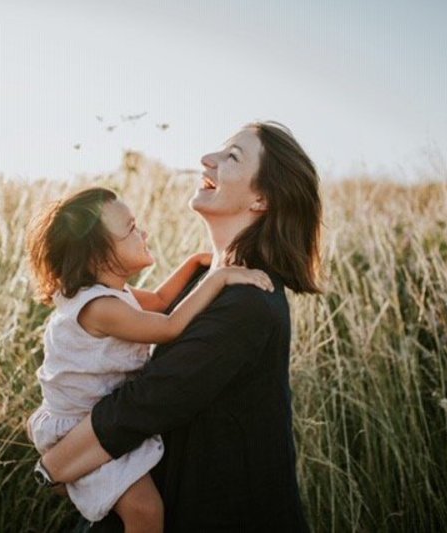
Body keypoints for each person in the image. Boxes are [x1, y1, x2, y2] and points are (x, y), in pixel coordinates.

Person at [39, 121, 322, 532]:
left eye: (232, 157)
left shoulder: (248, 301)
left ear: (261, 199)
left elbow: (148, 399)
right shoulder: (207, 281)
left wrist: (53, 467)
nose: (207, 159)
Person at [25, 187, 275, 533]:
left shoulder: (113, 295)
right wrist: (218, 279)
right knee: (146, 513)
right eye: (130, 229)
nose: (143, 232)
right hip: (81, 432)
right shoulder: (100, 308)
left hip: (96, 421)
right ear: (98, 257)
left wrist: (196, 263)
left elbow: (159, 300)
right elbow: (169, 326)